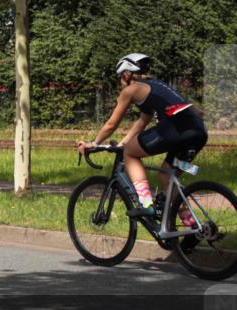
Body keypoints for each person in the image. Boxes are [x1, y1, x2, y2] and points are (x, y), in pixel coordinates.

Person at [77, 53, 208, 225]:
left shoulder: (131, 90)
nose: (120, 82)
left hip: (175, 129)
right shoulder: (156, 86)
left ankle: (146, 204)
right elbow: (141, 123)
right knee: (165, 178)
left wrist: (94, 144)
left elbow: (111, 124)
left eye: (120, 78)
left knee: (130, 154)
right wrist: (123, 144)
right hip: (198, 131)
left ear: (126, 74)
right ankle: (193, 225)